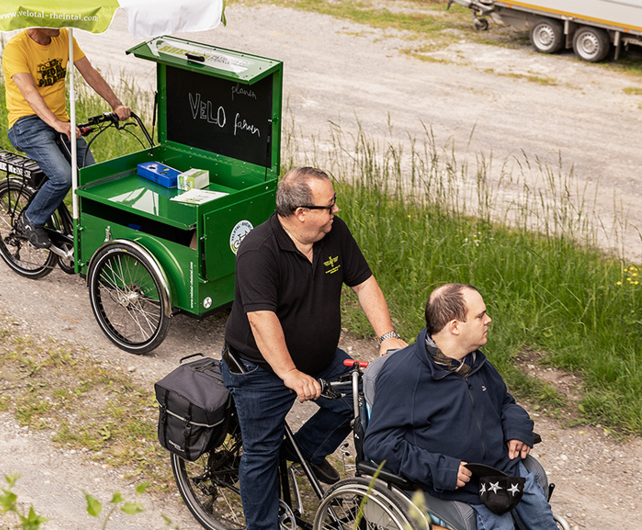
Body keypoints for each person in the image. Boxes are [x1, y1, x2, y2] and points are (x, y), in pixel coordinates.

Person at [220, 166, 407, 530]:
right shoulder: (259, 251)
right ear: (301, 212)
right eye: (330, 205)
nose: (336, 211)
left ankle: (300, 453)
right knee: (260, 453)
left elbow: (365, 284)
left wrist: (387, 337)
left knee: (360, 400)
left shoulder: (333, 234)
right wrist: (290, 373)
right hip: (260, 369)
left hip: (321, 358)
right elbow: (262, 320)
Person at [363, 283, 557, 530]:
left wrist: (517, 428)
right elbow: (378, 444)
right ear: (454, 327)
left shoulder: (474, 362)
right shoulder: (404, 375)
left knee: (544, 523)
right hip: (458, 486)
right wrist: (441, 468)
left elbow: (505, 403)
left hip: (503, 472)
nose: (488, 320)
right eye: (480, 316)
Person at [3, 27, 131, 249]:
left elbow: (89, 72)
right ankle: (30, 220)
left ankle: (93, 235)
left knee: (92, 177)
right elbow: (29, 92)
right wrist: (57, 124)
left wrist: (116, 103)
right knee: (63, 176)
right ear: (37, 19)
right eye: (53, 17)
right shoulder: (16, 48)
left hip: (60, 122)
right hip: (27, 124)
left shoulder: (64, 37)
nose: (60, 22)